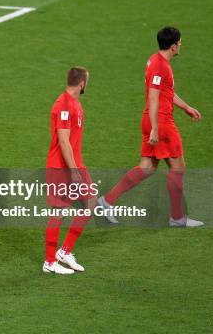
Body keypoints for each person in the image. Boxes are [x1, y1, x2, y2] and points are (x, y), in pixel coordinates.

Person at [97, 27, 203, 227]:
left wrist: (185, 107)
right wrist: (155, 127)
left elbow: (165, 92)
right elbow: (154, 96)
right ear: (173, 46)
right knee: (178, 168)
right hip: (161, 123)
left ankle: (106, 201)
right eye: (179, 42)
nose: (181, 45)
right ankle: (178, 217)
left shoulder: (154, 60)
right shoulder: (161, 67)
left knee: (147, 167)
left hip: (151, 119)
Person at [44, 67, 96, 274]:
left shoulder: (74, 103)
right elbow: (64, 141)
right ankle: (49, 262)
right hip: (61, 167)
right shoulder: (63, 105)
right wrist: (74, 171)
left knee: (90, 202)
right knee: (59, 212)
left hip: (75, 164)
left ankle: (64, 252)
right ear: (82, 82)